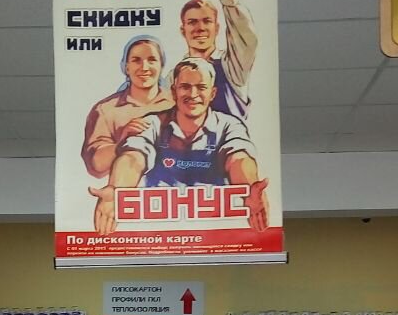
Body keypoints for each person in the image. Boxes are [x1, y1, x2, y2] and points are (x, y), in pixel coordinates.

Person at [88, 58, 269, 235]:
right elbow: (133, 158)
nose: (193, 94)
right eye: (185, 87)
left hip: (211, 231)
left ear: (213, 93)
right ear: (174, 92)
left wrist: (249, 186)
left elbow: (238, 159)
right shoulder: (152, 124)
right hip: (158, 232)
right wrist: (117, 190)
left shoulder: (229, 126)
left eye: (201, 87)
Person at [178, 0, 258, 120]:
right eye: (192, 22)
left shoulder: (232, 67)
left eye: (206, 21)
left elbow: (246, 39)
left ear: (217, 28)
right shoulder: (174, 74)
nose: (200, 28)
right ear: (183, 30)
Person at [81, 35, 172, 178]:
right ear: (126, 67)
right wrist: (122, 143)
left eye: (152, 60)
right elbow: (95, 165)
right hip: (125, 187)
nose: (144, 67)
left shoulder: (178, 102)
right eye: (136, 60)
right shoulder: (105, 110)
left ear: (161, 65)